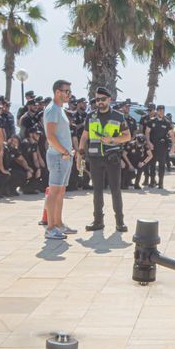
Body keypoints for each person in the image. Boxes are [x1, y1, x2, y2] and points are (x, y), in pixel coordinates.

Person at [80, 87, 131, 232]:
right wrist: (80, 151)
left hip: (111, 157)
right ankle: (98, 221)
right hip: (95, 158)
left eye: (103, 99)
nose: (100, 102)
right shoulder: (90, 116)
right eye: (97, 100)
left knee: (115, 190)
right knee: (97, 191)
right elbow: (84, 136)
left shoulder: (118, 116)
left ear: (109, 99)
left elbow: (127, 136)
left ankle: (120, 222)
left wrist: (113, 140)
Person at [43, 80, 77, 240]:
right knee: (54, 191)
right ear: (57, 92)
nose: (69, 94)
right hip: (58, 156)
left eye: (69, 91)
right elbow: (50, 136)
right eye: (66, 91)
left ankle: (58, 224)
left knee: (60, 192)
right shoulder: (52, 110)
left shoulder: (60, 109)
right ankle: (50, 228)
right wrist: (64, 151)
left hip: (64, 155)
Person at [145, 105, 174, 189]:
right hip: (153, 146)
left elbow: (171, 134)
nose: (161, 112)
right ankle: (152, 181)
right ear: (157, 111)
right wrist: (148, 142)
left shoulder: (167, 122)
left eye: (163, 111)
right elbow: (147, 133)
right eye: (160, 111)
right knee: (152, 164)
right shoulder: (151, 121)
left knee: (162, 165)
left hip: (163, 146)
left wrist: (173, 145)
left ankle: (161, 183)